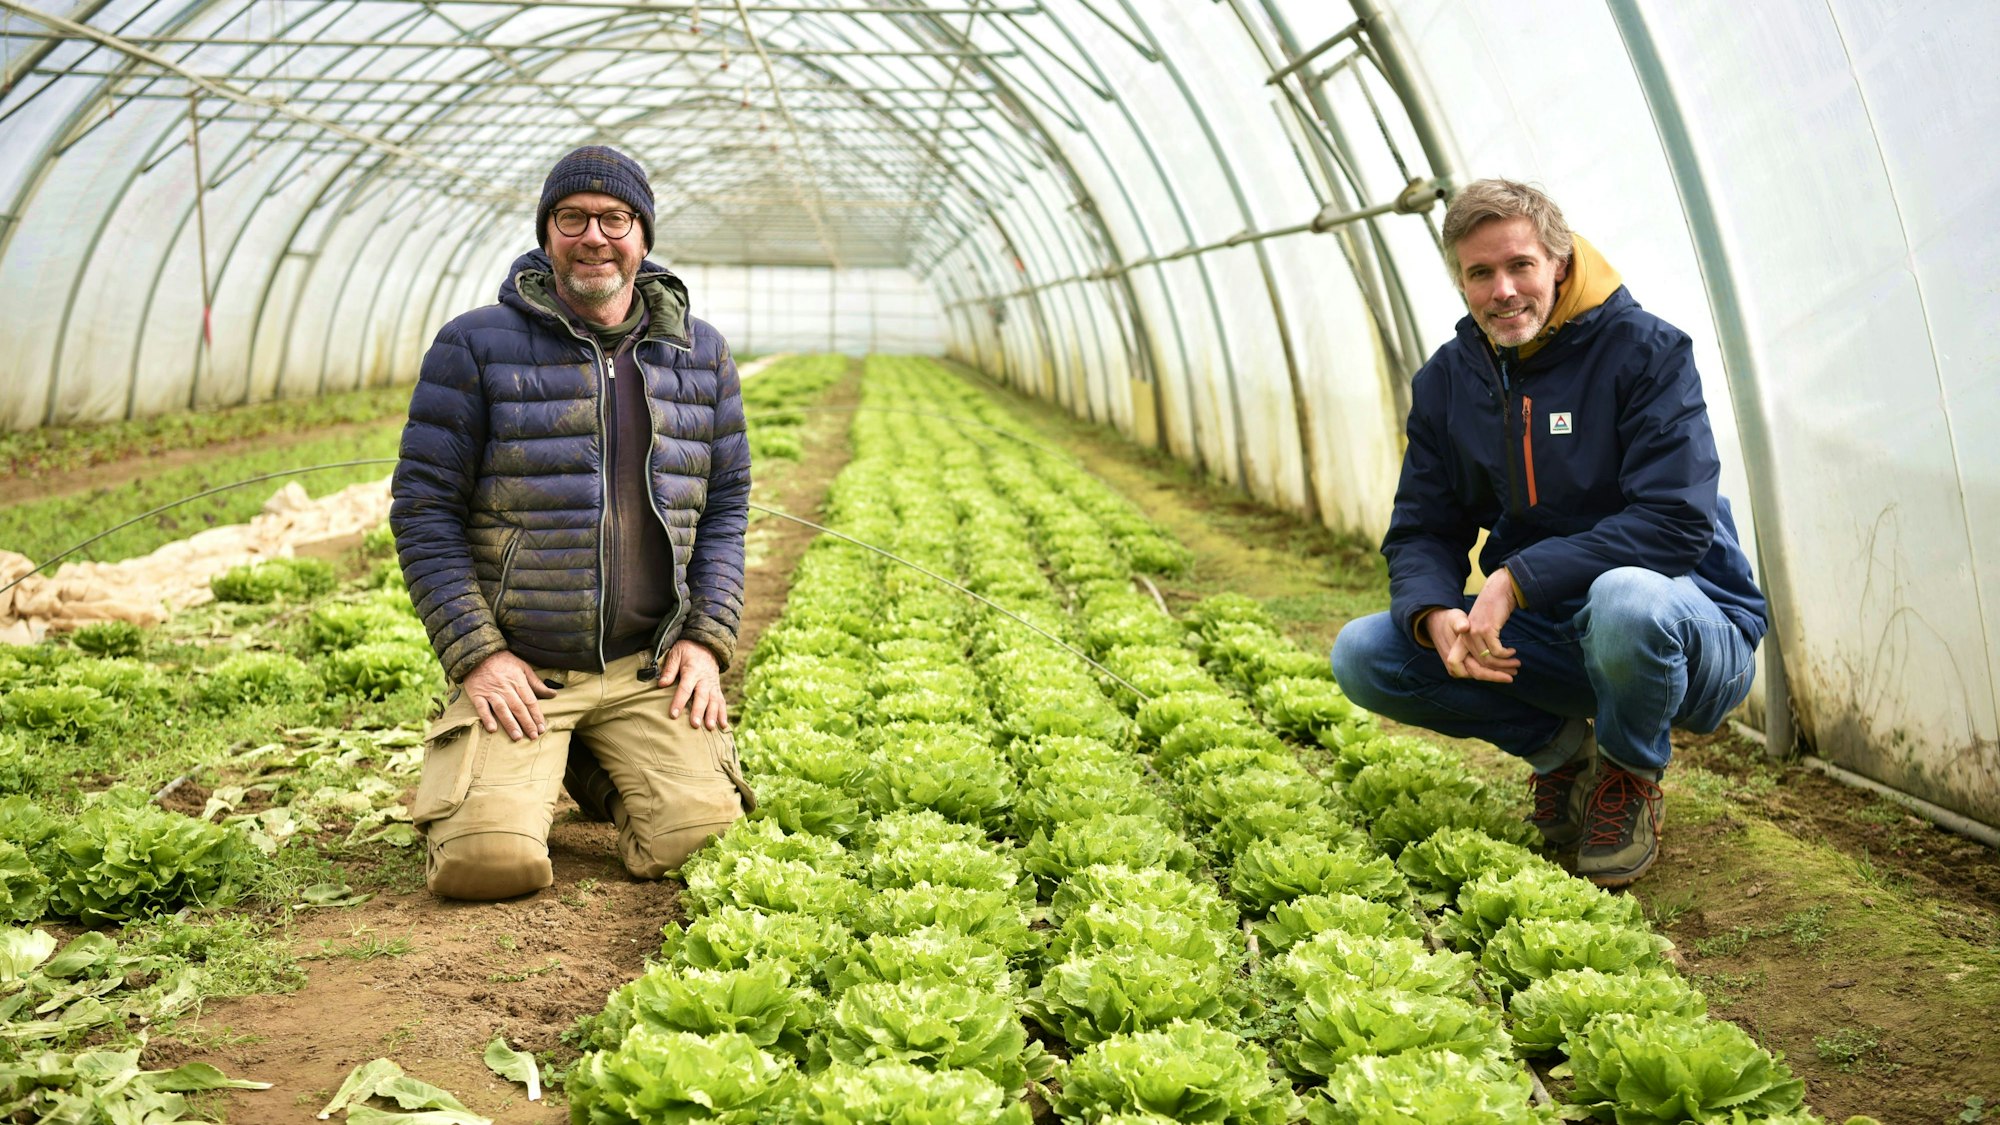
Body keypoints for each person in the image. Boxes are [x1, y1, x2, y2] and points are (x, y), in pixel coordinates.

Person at [1330, 178, 1767, 887]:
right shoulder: (1449, 383)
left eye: (1519, 265)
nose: (1502, 290)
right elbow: (1423, 526)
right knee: (1369, 652)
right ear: (1461, 281)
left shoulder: (1645, 352)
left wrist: (1513, 578)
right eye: (1480, 273)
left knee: (1627, 599)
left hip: (1687, 631)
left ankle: (1628, 776)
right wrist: (1434, 610)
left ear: (1559, 263)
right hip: (1557, 639)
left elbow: (1674, 521)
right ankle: (1565, 754)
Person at [390, 145, 754, 901]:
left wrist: (706, 639)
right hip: (529, 670)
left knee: (702, 844)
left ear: (643, 236)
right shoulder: (476, 345)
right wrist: (478, 653)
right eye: (573, 218)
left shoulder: (702, 355)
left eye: (614, 218)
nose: (595, 236)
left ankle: (595, 764)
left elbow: (724, 508)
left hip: (645, 665)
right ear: (547, 234)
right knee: (487, 867)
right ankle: (537, 760)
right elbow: (425, 511)